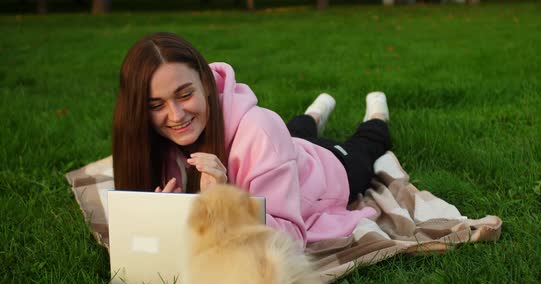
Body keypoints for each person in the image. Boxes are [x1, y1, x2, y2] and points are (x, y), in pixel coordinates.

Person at [112, 32, 392, 246]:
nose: (175, 115)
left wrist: (227, 203)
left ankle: (377, 112)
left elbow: (291, 239)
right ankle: (316, 112)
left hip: (328, 170)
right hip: (285, 148)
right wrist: (162, 214)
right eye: (156, 105)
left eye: (185, 95)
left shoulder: (261, 131)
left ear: (206, 85)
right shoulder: (148, 141)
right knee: (294, 130)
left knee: (366, 145)